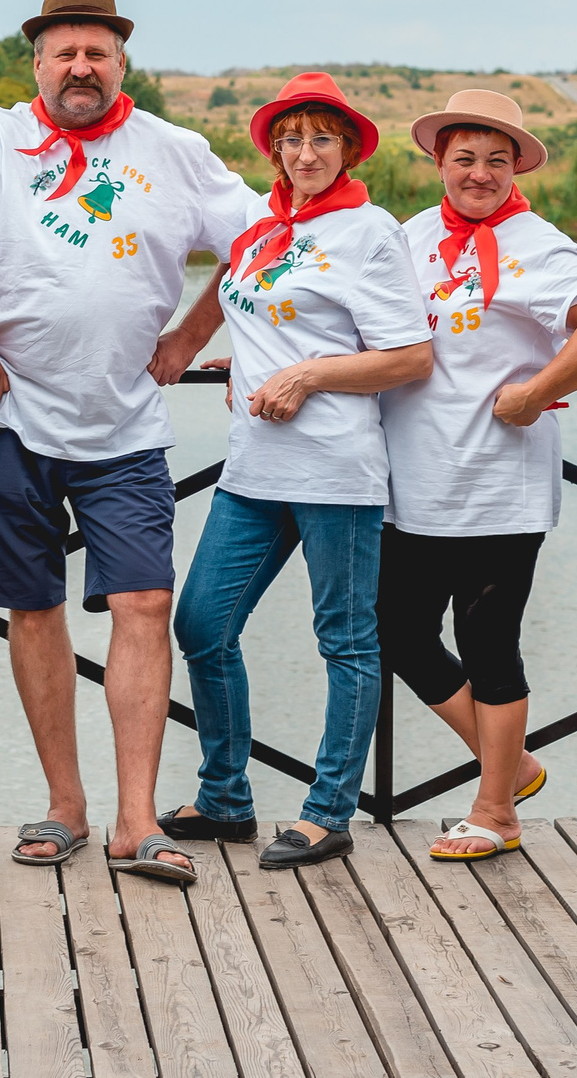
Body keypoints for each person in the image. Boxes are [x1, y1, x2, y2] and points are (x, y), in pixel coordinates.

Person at [0, 0, 254, 886]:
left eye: (98, 52)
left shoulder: (176, 148)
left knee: (145, 606)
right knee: (33, 608)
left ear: (123, 62)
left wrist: (194, 337)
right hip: (5, 420)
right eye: (64, 52)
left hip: (125, 423)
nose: (81, 66)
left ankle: (137, 817)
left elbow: (262, 240)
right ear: (37, 62)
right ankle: (65, 805)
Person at [166, 75, 431, 871]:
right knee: (202, 624)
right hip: (255, 464)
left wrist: (308, 373)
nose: (305, 151)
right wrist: (241, 358)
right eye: (292, 138)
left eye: (322, 138)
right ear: (274, 148)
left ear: (347, 147)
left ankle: (329, 811)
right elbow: (254, 301)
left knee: (345, 640)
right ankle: (225, 797)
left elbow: (412, 355)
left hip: (334, 471)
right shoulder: (264, 225)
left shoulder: (369, 230)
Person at [375, 90, 577, 863]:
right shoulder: (408, 237)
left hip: (499, 485)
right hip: (410, 484)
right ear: (438, 162)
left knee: (489, 643)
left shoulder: (540, 244)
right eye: (464, 158)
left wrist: (535, 389)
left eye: (496, 159)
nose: (479, 173)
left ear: (515, 165)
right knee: (396, 630)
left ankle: (496, 811)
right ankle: (511, 762)